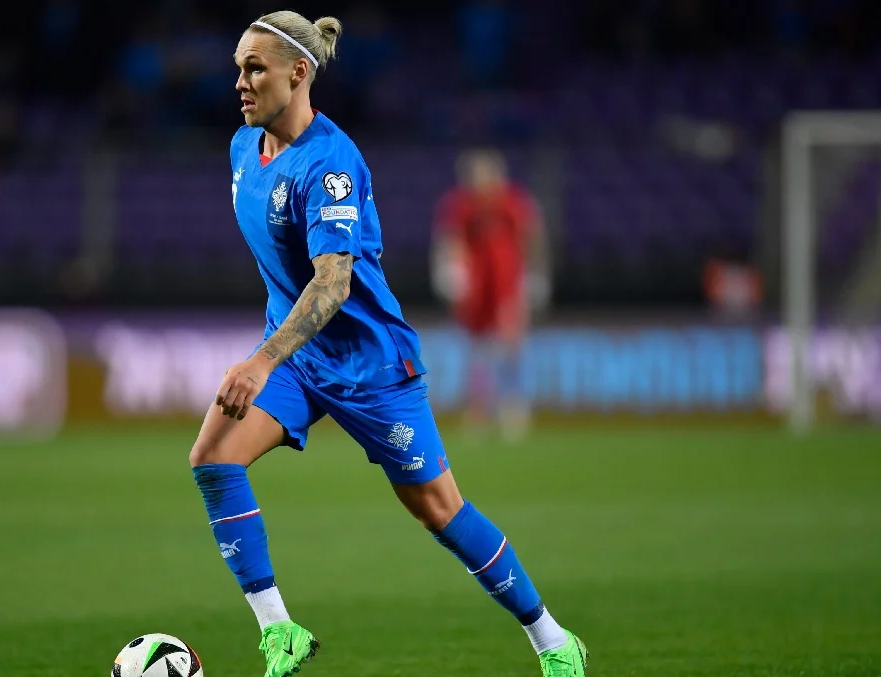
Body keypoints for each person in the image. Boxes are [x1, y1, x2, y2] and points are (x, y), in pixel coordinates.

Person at [188, 12, 587, 677]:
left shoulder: (332, 163)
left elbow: (333, 283)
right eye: (238, 68)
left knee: (440, 510)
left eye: (255, 68)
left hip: (370, 366)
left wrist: (260, 361)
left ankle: (553, 639)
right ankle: (280, 630)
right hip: (299, 357)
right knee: (213, 456)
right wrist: (275, 355)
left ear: (299, 73)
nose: (241, 82)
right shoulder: (242, 148)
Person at [431, 148, 549, 441]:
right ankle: (478, 408)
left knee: (511, 344)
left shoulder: (514, 201)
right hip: (476, 285)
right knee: (477, 349)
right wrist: (448, 271)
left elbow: (532, 237)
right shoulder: (459, 204)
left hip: (508, 281)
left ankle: (514, 406)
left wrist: (535, 275)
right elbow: (450, 239)